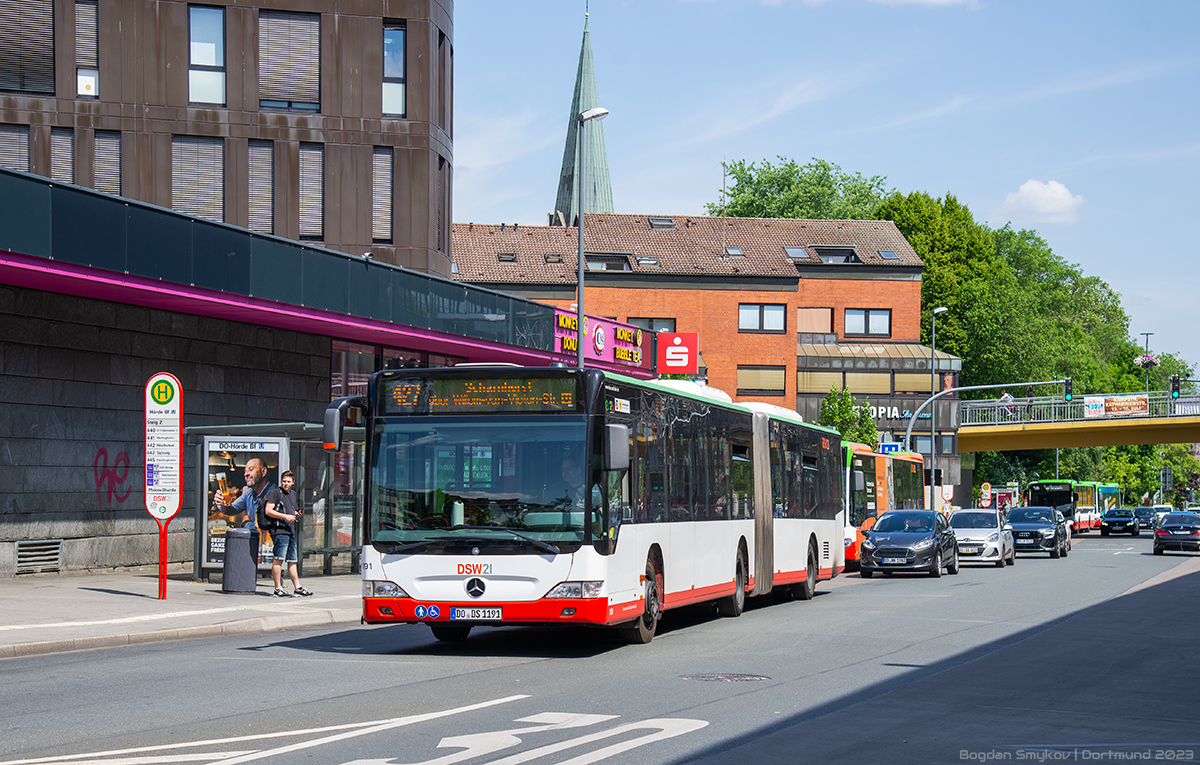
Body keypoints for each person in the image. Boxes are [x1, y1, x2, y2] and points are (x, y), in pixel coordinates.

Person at [262, 470, 312, 598]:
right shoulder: (275, 493)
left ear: (293, 482)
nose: (286, 484)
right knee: (278, 559)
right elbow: (268, 510)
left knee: (292, 560)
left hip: (290, 530)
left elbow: (290, 509)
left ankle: (298, 587)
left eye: (288, 482)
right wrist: (285, 517)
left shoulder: (292, 494)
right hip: (279, 531)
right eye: (284, 481)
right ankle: (278, 588)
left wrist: (295, 514)